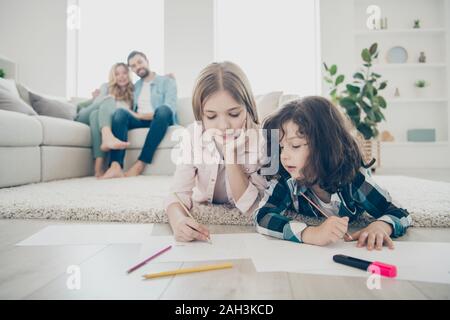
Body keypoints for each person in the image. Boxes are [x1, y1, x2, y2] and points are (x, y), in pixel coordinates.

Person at [255, 96, 412, 250]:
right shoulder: (286, 177)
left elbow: (400, 213)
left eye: (295, 145)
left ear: (324, 146)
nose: (284, 155)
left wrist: (381, 226)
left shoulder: (354, 179)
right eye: (281, 147)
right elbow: (262, 216)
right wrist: (310, 233)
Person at [165, 61, 268, 242]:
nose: (223, 126)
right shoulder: (193, 135)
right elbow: (178, 194)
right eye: (211, 116)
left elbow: (253, 207)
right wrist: (178, 221)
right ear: (201, 116)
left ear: (248, 109)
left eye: (234, 114)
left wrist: (231, 155)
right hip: (203, 200)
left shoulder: (261, 140)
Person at [102, 51, 177, 178]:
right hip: (140, 120)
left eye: (139, 62)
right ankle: (115, 166)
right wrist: (101, 94)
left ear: (147, 60)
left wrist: (140, 116)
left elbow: (170, 108)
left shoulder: (167, 81)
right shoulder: (134, 87)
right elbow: (119, 94)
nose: (138, 67)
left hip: (160, 119)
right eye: (133, 66)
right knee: (120, 113)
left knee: (163, 110)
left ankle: (140, 163)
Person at [75, 63, 133, 177]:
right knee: (108, 100)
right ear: (113, 76)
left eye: (124, 73)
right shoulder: (106, 87)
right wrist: (96, 98)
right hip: (82, 116)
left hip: (97, 116)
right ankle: (108, 137)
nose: (121, 76)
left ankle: (98, 168)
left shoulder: (132, 94)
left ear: (129, 74)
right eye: (117, 74)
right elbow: (96, 103)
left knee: (95, 115)